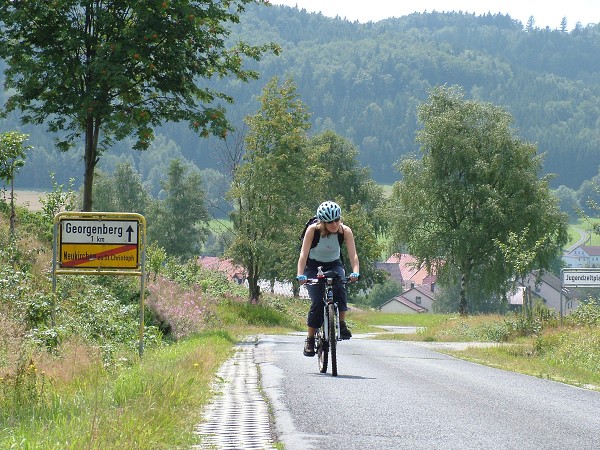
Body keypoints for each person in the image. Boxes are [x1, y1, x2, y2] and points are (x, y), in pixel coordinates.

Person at [296, 201, 360, 357]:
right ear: (322, 222)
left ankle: (342, 325)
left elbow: (353, 255)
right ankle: (310, 339)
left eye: (337, 220)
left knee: (340, 288)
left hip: (334, 264)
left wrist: (355, 272)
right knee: (317, 301)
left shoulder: (345, 231)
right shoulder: (313, 230)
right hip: (313, 266)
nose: (334, 224)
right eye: (330, 221)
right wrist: (300, 274)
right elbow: (303, 255)